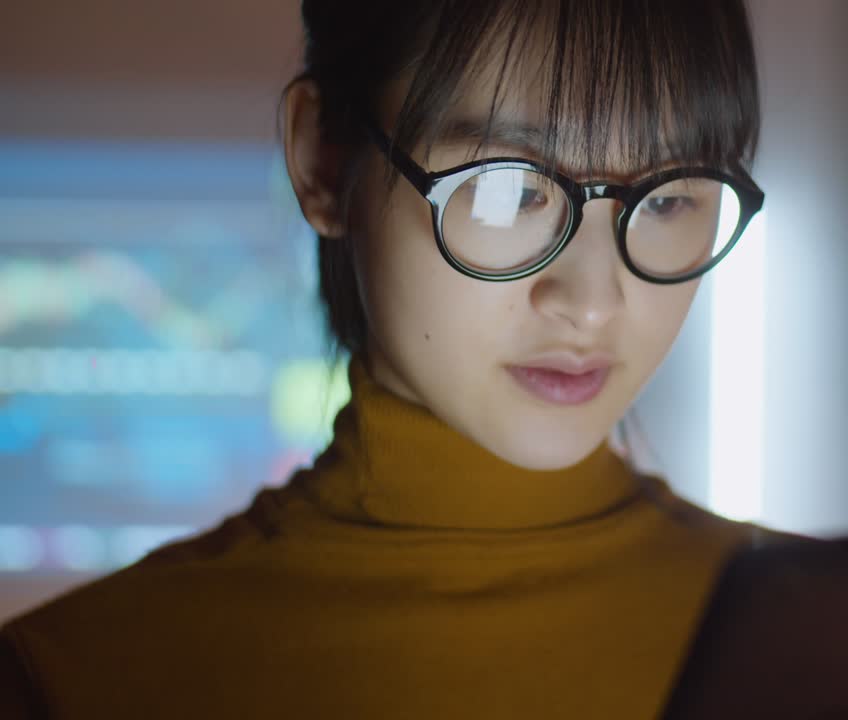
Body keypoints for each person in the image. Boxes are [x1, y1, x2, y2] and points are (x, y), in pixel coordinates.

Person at [0, 1, 801, 716]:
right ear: (323, 160)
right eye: (507, 188)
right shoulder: (76, 680)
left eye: (666, 199)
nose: (593, 301)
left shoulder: (833, 633)